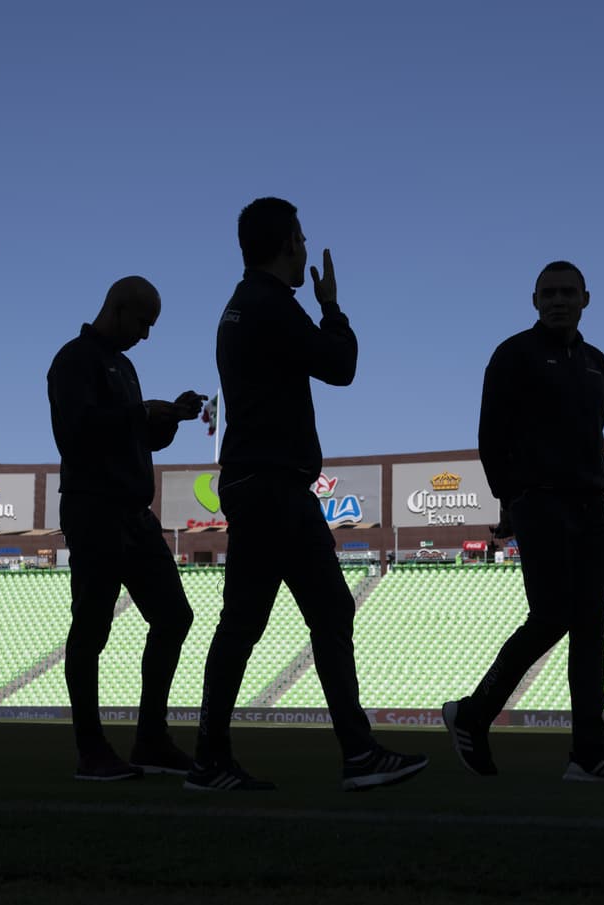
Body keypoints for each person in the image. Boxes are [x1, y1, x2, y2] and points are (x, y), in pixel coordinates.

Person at [190, 197, 428, 792]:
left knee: (252, 622)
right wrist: (331, 307)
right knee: (318, 612)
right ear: (285, 244)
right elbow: (341, 365)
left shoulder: (241, 305)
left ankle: (213, 758)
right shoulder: (273, 304)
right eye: (300, 238)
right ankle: (355, 754)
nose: (304, 248)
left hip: (255, 482)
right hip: (274, 485)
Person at [442, 261, 604, 782]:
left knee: (590, 627)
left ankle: (588, 753)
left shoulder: (598, 362)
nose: (558, 300)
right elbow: (490, 434)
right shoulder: (513, 354)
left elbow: (593, 432)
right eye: (548, 293)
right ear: (534, 300)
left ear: (586, 299)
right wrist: (510, 499)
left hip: (590, 504)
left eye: (568, 292)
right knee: (552, 616)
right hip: (538, 502)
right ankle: (473, 713)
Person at [48, 275, 204, 781]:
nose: (146, 334)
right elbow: (76, 434)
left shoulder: (125, 367)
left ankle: (150, 741)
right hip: (94, 510)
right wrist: (140, 413)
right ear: (116, 308)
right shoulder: (73, 359)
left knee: (174, 616)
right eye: (143, 322)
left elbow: (138, 440)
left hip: (134, 514)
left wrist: (169, 418)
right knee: (91, 630)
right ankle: (91, 750)